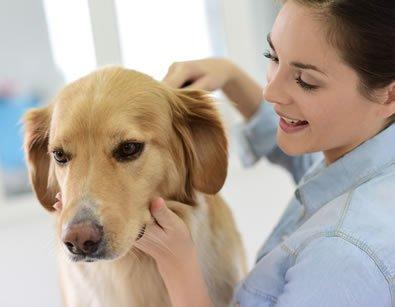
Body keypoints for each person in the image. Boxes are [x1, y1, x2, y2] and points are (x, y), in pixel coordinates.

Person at [134, 0, 395, 306]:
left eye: (306, 81)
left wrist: (178, 266)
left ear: (389, 95)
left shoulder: (342, 258)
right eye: (272, 56)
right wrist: (230, 77)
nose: (269, 92)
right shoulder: (361, 149)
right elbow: (301, 152)